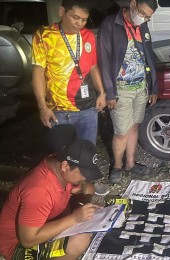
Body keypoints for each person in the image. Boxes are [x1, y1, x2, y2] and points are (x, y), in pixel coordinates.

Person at [0, 140, 103, 259]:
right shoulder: (39, 191)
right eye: (84, 173)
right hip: (17, 246)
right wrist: (75, 218)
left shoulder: (56, 163)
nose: (85, 178)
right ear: (65, 166)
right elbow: (27, 240)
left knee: (89, 190)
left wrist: (87, 208)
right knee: (80, 241)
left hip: (44, 223)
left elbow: (88, 188)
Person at [97, 0, 159, 184]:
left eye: (148, 17)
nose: (144, 18)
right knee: (121, 132)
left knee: (134, 126)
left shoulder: (143, 26)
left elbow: (149, 56)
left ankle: (130, 164)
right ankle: (117, 166)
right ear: (132, 4)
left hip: (141, 87)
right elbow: (104, 60)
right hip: (120, 90)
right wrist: (109, 92)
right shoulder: (110, 24)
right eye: (142, 13)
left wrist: (153, 86)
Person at [32, 0, 106, 145]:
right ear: (61, 12)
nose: (80, 23)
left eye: (84, 20)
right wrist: (42, 107)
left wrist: (102, 93)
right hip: (58, 111)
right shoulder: (44, 36)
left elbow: (93, 67)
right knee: (60, 158)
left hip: (88, 109)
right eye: (75, 17)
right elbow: (38, 73)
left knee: (86, 153)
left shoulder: (88, 36)